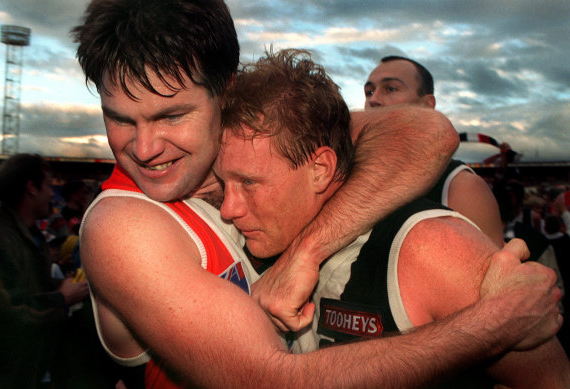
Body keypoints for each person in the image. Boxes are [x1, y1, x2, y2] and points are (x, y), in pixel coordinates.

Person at [72, 1, 562, 388]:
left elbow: (428, 132)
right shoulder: (123, 225)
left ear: (227, 93)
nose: (144, 148)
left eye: (170, 116)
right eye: (119, 118)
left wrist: (305, 252)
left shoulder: (261, 141)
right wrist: (493, 323)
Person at [216, 48, 569, 388]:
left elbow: (553, 380)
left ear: (320, 169)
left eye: (249, 183)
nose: (228, 209)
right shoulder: (268, 231)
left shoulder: (429, 247)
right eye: (224, 182)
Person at [363, 55, 504, 247]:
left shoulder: (461, 189)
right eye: (369, 91)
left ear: (427, 105)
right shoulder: (344, 174)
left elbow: (492, 275)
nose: (374, 99)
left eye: (391, 88)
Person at [0, 154, 90, 388]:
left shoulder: (30, 232)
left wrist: (63, 286)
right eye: (47, 185)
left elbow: (33, 287)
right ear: (31, 188)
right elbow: (10, 312)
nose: (52, 193)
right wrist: (63, 297)